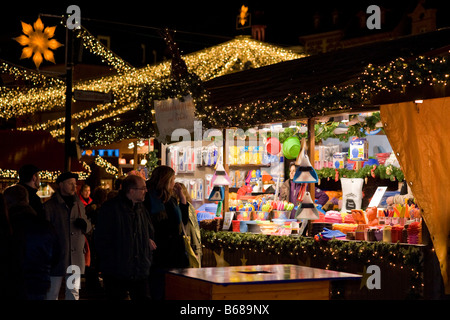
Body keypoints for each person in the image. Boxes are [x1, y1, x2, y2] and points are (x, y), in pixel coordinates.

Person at [94, 174, 156, 300]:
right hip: (117, 271)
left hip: (139, 270)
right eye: (143, 188)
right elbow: (101, 239)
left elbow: (148, 232)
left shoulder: (141, 209)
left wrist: (146, 246)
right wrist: (110, 262)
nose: (146, 191)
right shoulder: (111, 208)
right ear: (131, 191)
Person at [3, 184, 60, 300]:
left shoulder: (7, 227)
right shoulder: (44, 226)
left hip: (11, 285)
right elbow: (56, 255)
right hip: (38, 284)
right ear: (27, 200)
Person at [44, 172, 92, 300]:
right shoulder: (50, 206)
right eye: (70, 183)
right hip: (57, 258)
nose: (74, 187)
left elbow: (87, 225)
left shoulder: (78, 204)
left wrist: (85, 226)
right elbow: (46, 232)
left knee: (73, 292)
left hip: (75, 259)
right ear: (61, 185)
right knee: (52, 293)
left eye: (75, 184)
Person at [144, 165, 189, 300]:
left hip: (174, 249)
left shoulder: (171, 199)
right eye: (173, 179)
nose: (174, 183)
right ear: (166, 180)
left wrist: (182, 198)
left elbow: (183, 221)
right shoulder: (149, 198)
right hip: (159, 249)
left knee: (173, 288)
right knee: (159, 288)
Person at [177, 183, 202, 267]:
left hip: (189, 248)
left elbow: (187, 227)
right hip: (194, 247)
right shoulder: (190, 206)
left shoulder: (182, 207)